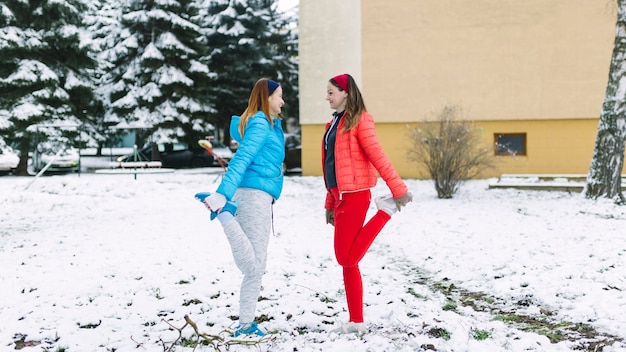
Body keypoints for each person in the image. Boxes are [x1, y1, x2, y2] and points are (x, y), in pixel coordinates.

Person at [322, 73, 413, 334]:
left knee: (346, 257)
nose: (327, 97)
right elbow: (332, 167)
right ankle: (356, 321)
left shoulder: (360, 121)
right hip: (340, 196)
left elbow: (377, 154)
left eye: (331, 92)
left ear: (346, 93)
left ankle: (385, 211)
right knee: (350, 262)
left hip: (356, 194)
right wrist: (329, 202)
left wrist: (398, 189)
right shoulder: (333, 125)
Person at [195, 78, 285, 337]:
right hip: (254, 196)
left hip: (259, 196)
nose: (282, 101)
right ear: (267, 97)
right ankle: (224, 215)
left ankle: (246, 324)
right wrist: (223, 194)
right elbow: (242, 158)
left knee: (256, 267)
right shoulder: (260, 122)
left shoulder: (266, 124)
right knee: (253, 267)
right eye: (279, 95)